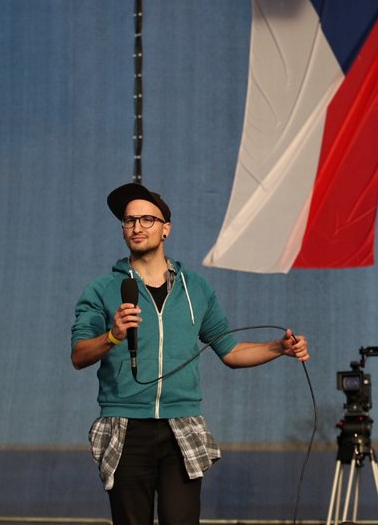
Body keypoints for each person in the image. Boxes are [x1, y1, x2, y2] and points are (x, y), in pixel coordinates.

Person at [71, 182, 310, 525]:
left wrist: (278, 348)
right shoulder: (103, 289)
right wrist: (112, 335)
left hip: (181, 427)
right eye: (128, 221)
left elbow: (229, 351)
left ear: (166, 228)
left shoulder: (195, 288)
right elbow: (79, 355)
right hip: (123, 427)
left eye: (146, 220)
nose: (136, 227)